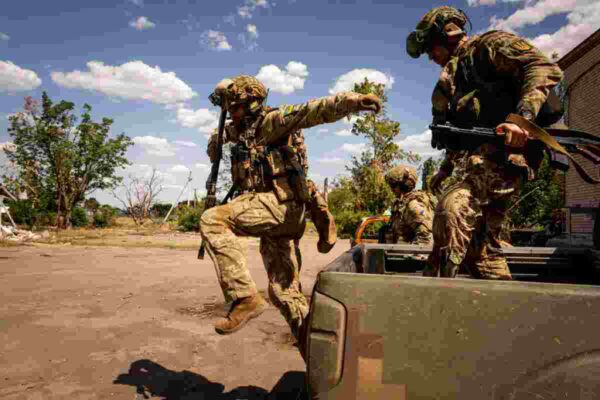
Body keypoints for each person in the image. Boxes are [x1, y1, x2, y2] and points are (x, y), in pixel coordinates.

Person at [199, 76, 381, 349]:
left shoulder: (271, 122)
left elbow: (312, 110)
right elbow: (222, 134)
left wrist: (352, 101)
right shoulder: (241, 130)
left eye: (234, 107)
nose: (231, 114)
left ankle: (244, 297)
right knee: (284, 292)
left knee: (212, 219)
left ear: (252, 103)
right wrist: (214, 142)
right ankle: (319, 357)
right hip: (275, 217)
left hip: (281, 207)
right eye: (229, 109)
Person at [406, 6, 563, 279]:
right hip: (485, 159)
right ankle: (496, 292)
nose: (430, 57)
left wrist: (522, 121)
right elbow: (463, 133)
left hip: (509, 157)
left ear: (447, 36)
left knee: (452, 210)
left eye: (431, 48)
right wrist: (445, 169)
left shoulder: (488, 47)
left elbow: (542, 67)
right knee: (482, 250)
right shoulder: (456, 77)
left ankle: (438, 291)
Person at [384, 165, 436, 245]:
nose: (391, 189)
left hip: (411, 252)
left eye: (393, 185)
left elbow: (425, 238)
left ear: (403, 185)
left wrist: (410, 251)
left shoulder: (413, 205)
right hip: (399, 251)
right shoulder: (401, 204)